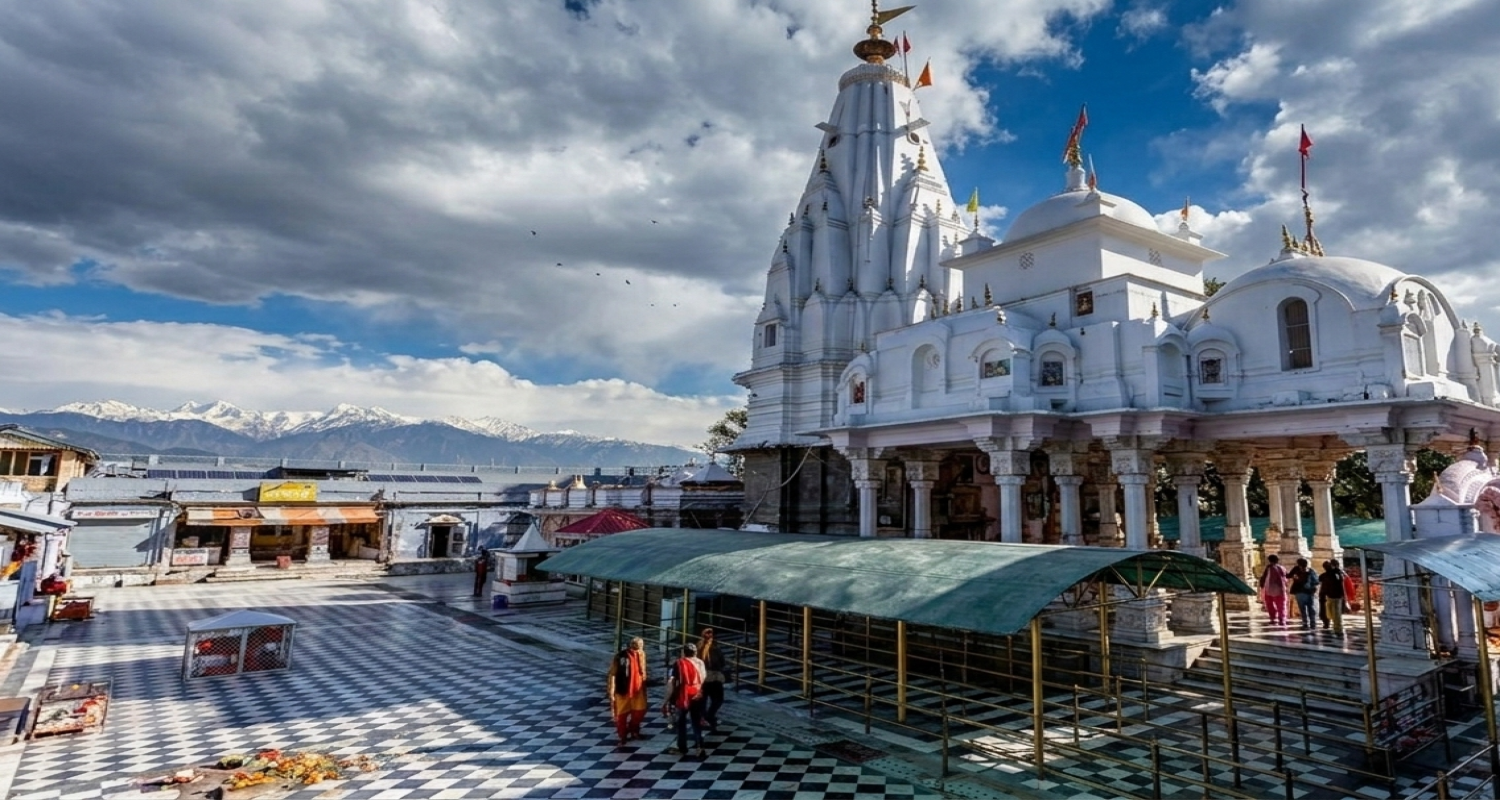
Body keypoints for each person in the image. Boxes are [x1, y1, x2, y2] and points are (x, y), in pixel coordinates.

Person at [663, 642, 707, 759]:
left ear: (684, 652)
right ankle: (700, 747)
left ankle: (682, 747)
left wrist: (666, 699)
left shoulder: (679, 663)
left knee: (681, 722)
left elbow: (672, 682)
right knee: (696, 721)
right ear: (695, 652)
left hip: (684, 695)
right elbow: (703, 678)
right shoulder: (700, 663)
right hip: (697, 694)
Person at [606, 637, 649, 746]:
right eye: (639, 645)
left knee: (640, 711)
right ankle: (623, 736)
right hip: (623, 689)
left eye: (642, 645)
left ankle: (633, 729)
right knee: (621, 715)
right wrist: (611, 690)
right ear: (633, 645)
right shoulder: (621, 656)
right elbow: (612, 674)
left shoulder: (642, 654)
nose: (641, 646)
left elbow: (643, 671)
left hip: (638, 689)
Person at [697, 627, 727, 733]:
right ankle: (708, 717)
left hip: (703, 678)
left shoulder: (699, 647)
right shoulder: (714, 649)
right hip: (712, 677)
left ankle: (705, 717)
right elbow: (721, 663)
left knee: (704, 700)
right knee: (717, 699)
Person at [1287, 558, 1319, 631]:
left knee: (1302, 609)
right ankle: (1313, 623)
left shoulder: (1296, 571)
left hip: (1300, 593)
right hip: (1310, 592)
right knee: (1311, 608)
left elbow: (1288, 576)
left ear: (1299, 564)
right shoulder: (1311, 571)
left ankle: (1305, 623)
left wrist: (1295, 578)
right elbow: (1317, 581)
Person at [1259, 554, 1289, 626]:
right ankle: (1282, 619)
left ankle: (1273, 618)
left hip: (1269, 589)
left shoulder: (1269, 568)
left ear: (1269, 560)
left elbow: (1264, 577)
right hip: (1281, 589)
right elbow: (1286, 577)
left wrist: (1262, 585)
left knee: (1270, 605)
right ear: (1277, 560)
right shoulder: (1282, 568)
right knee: (1281, 605)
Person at [1319, 559, 1347, 637]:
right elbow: (1320, 579)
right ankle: (1336, 628)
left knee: (1336, 614)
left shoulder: (1337, 573)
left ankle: (1338, 630)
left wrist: (1344, 597)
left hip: (1336, 597)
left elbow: (1340, 585)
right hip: (1329, 596)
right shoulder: (1327, 574)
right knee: (1330, 614)